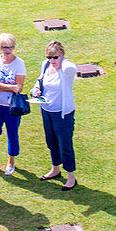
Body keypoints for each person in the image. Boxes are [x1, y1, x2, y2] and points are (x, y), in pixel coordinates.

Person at [29, 40, 78, 190]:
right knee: (51, 142)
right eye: (49, 57)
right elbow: (40, 81)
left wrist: (64, 62)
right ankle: (55, 169)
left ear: (62, 56)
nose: (52, 61)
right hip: (47, 111)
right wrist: (35, 90)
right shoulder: (45, 64)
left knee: (65, 145)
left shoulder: (66, 68)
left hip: (62, 114)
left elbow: (72, 68)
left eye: (55, 57)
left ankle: (71, 176)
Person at [0, 33, 26, 176]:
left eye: (10, 47)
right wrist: (10, 87)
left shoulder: (19, 63)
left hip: (11, 107)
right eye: (4, 47)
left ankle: (11, 161)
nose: (7, 50)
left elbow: (19, 87)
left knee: (12, 134)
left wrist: (1, 85)